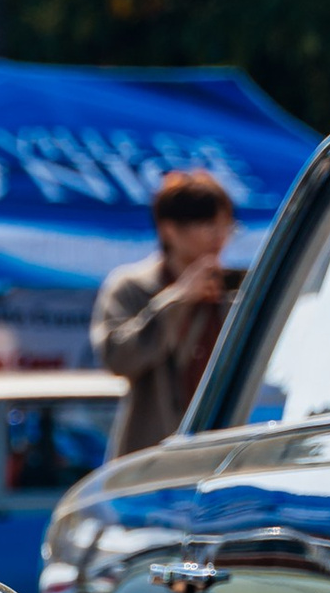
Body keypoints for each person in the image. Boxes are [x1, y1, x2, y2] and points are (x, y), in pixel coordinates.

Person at [91, 170, 241, 459]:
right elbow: (117, 358)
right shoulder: (130, 286)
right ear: (169, 230)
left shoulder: (233, 289)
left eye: (227, 225)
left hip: (220, 452)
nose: (220, 236)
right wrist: (179, 299)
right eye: (208, 224)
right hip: (151, 456)